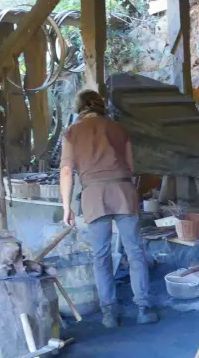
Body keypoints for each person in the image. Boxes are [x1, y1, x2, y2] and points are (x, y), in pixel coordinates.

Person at [60, 90, 157, 328]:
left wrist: (66, 206)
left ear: (79, 107)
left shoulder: (72, 133)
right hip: (123, 191)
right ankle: (143, 309)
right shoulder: (119, 129)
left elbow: (65, 171)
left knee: (101, 257)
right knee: (135, 253)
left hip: (94, 195)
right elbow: (131, 166)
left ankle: (109, 314)